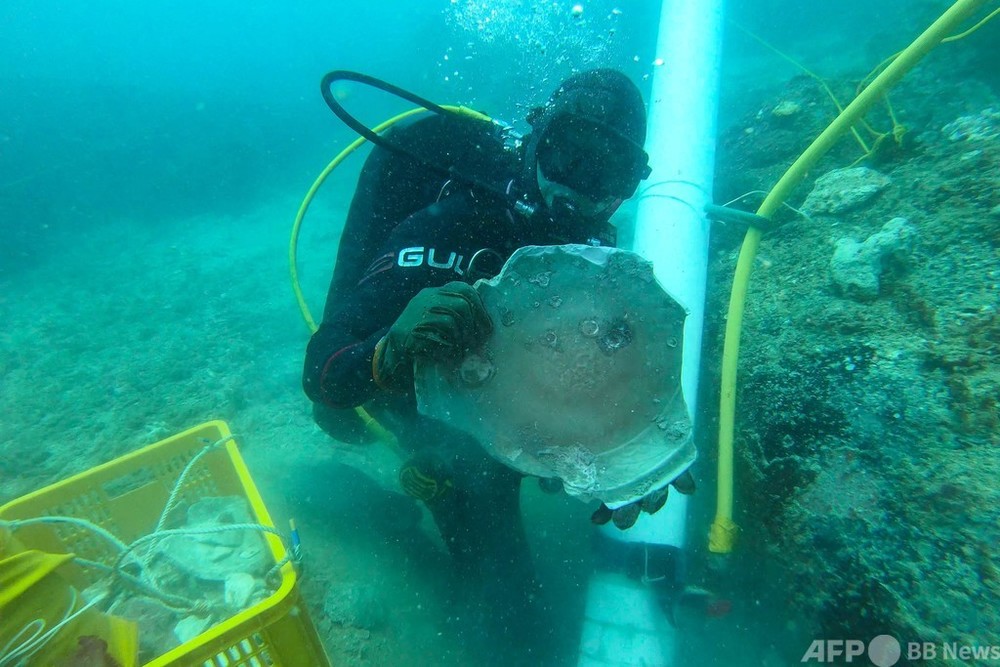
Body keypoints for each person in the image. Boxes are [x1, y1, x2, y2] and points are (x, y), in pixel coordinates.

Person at [302, 68, 660, 659]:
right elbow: (322, 373)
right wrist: (389, 350)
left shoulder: (597, 261)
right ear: (538, 140)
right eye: (570, 156)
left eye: (610, 173)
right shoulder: (453, 223)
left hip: (513, 406)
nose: (580, 191)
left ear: (629, 183)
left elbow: (607, 379)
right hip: (438, 418)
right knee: (507, 604)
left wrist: (634, 448)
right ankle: (387, 511)